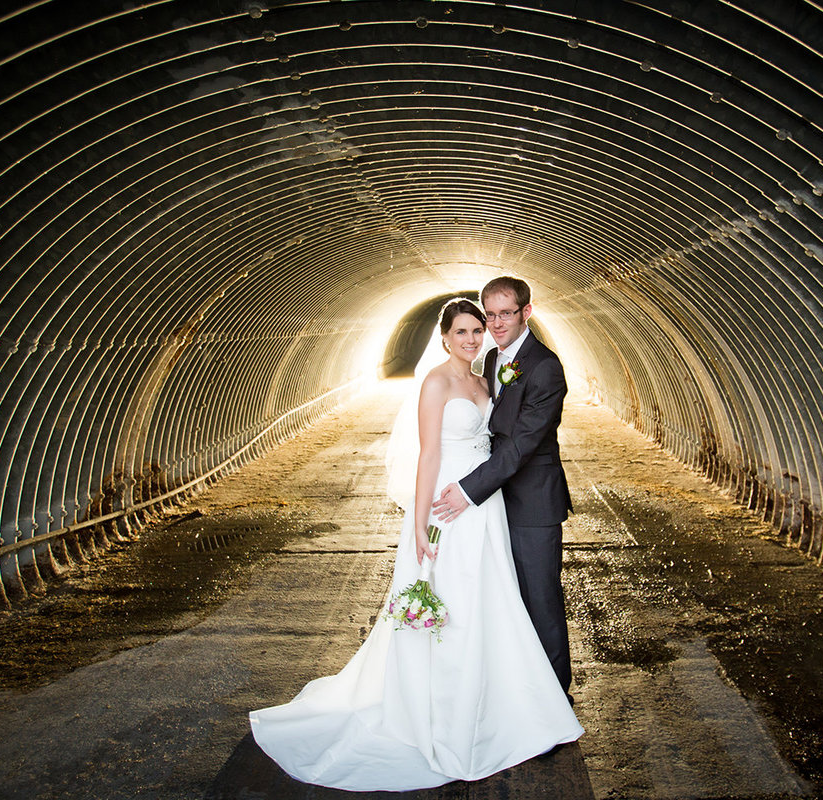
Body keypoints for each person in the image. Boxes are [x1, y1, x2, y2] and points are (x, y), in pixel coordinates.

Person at [248, 298, 582, 792]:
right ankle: (445, 705)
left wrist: (476, 491)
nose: (474, 337)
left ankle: (499, 697)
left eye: (479, 329)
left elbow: (511, 437)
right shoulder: (435, 383)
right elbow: (428, 456)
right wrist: (421, 521)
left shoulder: (487, 374)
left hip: (486, 504)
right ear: (444, 337)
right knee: (453, 595)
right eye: (463, 331)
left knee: (493, 596)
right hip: (451, 498)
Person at [432, 276, 574, 698]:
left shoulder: (546, 367)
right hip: (495, 502)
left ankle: (555, 697)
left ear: (526, 313)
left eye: (505, 313)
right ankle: (516, 691)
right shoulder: (494, 359)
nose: (495, 323)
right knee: (504, 598)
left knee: (540, 597)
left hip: (532, 503)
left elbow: (521, 446)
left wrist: (468, 488)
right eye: (489, 314)